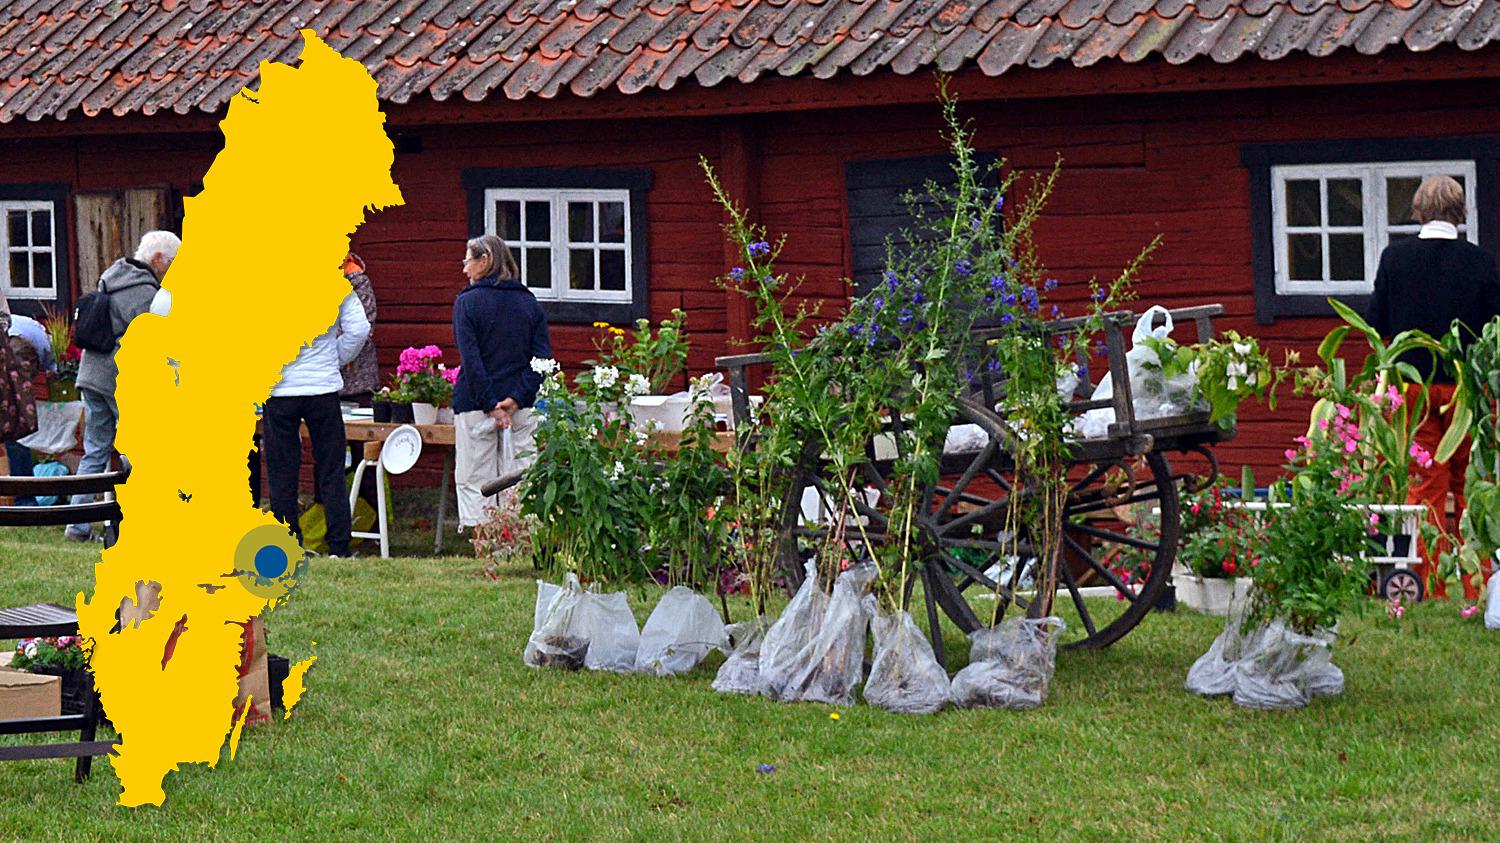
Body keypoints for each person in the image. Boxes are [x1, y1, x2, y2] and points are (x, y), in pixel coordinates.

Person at [1369, 175, 1500, 599]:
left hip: (1414, 389)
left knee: (1425, 486)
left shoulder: (1395, 258)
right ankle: (1478, 584)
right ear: (1460, 212)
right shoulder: (1480, 262)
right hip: (1466, 392)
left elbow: (1376, 322)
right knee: (1471, 486)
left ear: (1418, 210)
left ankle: (1429, 585)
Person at [66, 230, 178, 541]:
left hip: (91, 374)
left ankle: (77, 525)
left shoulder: (114, 275)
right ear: (158, 259)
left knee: (95, 451)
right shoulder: (143, 293)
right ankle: (139, 522)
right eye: (173, 263)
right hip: (118, 380)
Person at [263, 274, 371, 558]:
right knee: (331, 467)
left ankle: (287, 544)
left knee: (282, 471)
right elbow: (359, 329)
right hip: (322, 388)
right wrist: (334, 358)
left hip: (280, 388)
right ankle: (339, 545)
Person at [452, 234, 552, 528]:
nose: (465, 269)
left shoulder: (467, 303)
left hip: (476, 405)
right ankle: (520, 541)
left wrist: (490, 404)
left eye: (468, 261)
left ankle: (484, 544)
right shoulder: (528, 302)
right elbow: (542, 359)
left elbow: (471, 360)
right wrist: (517, 398)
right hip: (521, 408)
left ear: (485, 261)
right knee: (522, 478)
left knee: (475, 480)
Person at [4, 312, 53, 505]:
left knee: (15, 432)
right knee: (16, 433)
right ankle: (25, 499)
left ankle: (24, 498)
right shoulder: (39, 341)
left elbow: (50, 367)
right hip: (12, 350)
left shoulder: (40, 342)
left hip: (15, 346)